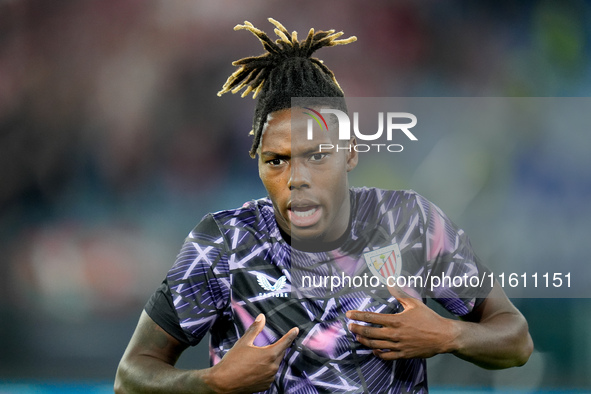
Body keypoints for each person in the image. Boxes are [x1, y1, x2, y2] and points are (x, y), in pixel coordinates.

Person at [114, 19, 533, 393]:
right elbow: (131, 375)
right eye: (276, 160)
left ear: (349, 153)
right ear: (258, 163)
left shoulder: (410, 224)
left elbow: (515, 339)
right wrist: (212, 383)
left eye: (317, 155)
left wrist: (447, 335)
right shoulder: (223, 243)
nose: (296, 178)